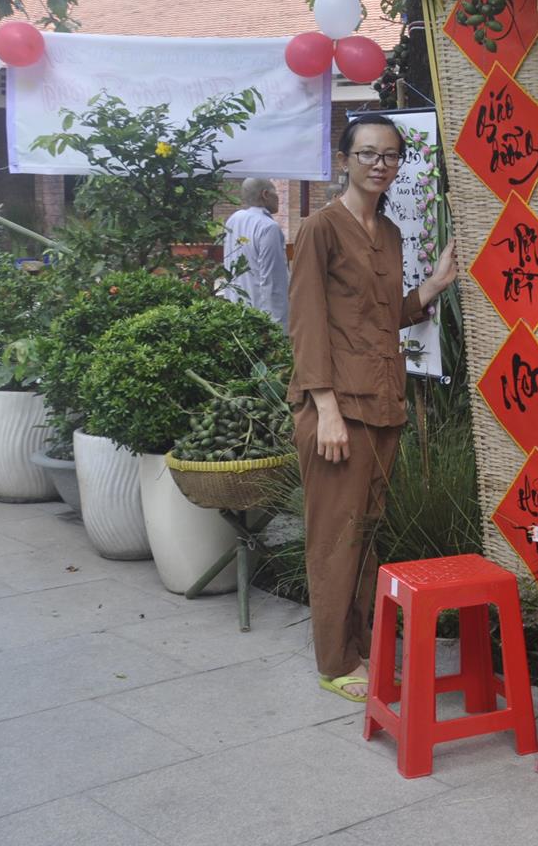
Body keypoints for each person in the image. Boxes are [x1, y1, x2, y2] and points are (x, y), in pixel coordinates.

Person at [288, 114, 457, 701]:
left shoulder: (388, 232)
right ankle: (336, 661)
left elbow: (381, 317)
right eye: (367, 153)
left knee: (365, 534)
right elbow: (307, 323)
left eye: (389, 155)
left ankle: (360, 649)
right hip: (338, 409)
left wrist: (431, 289)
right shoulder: (320, 228)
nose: (379, 164)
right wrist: (326, 410)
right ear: (345, 160)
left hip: (384, 402)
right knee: (335, 538)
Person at [220, 178, 290, 330]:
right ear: (265, 194)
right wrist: (279, 325)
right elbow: (273, 279)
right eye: (275, 193)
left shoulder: (233, 220)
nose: (278, 198)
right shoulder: (268, 227)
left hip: (234, 310)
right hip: (261, 316)